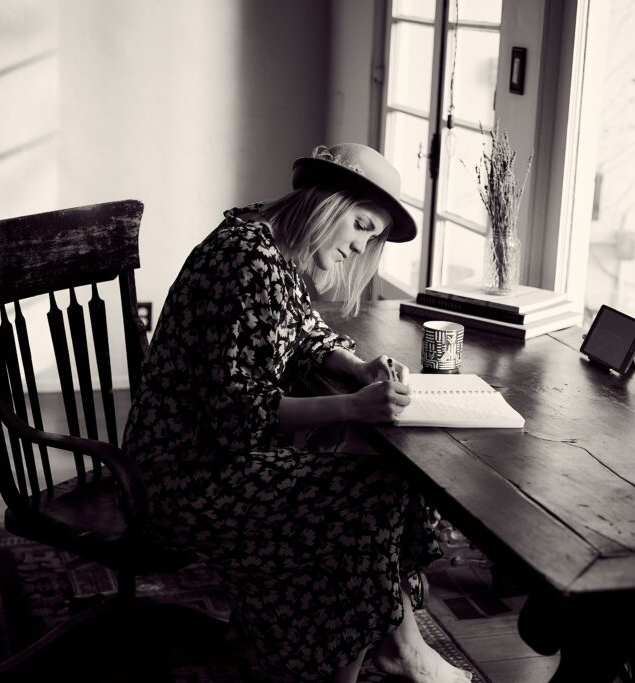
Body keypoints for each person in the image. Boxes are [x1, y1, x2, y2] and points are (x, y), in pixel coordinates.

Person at [122, 143, 473, 683]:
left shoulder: (266, 241)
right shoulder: (246, 261)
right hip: (184, 474)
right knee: (365, 499)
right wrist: (352, 407)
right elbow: (239, 415)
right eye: (360, 226)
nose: (361, 247)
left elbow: (300, 327)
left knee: (383, 482)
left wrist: (356, 365)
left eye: (371, 237)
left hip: (212, 456)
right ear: (327, 202)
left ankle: (393, 645)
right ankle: (364, 658)